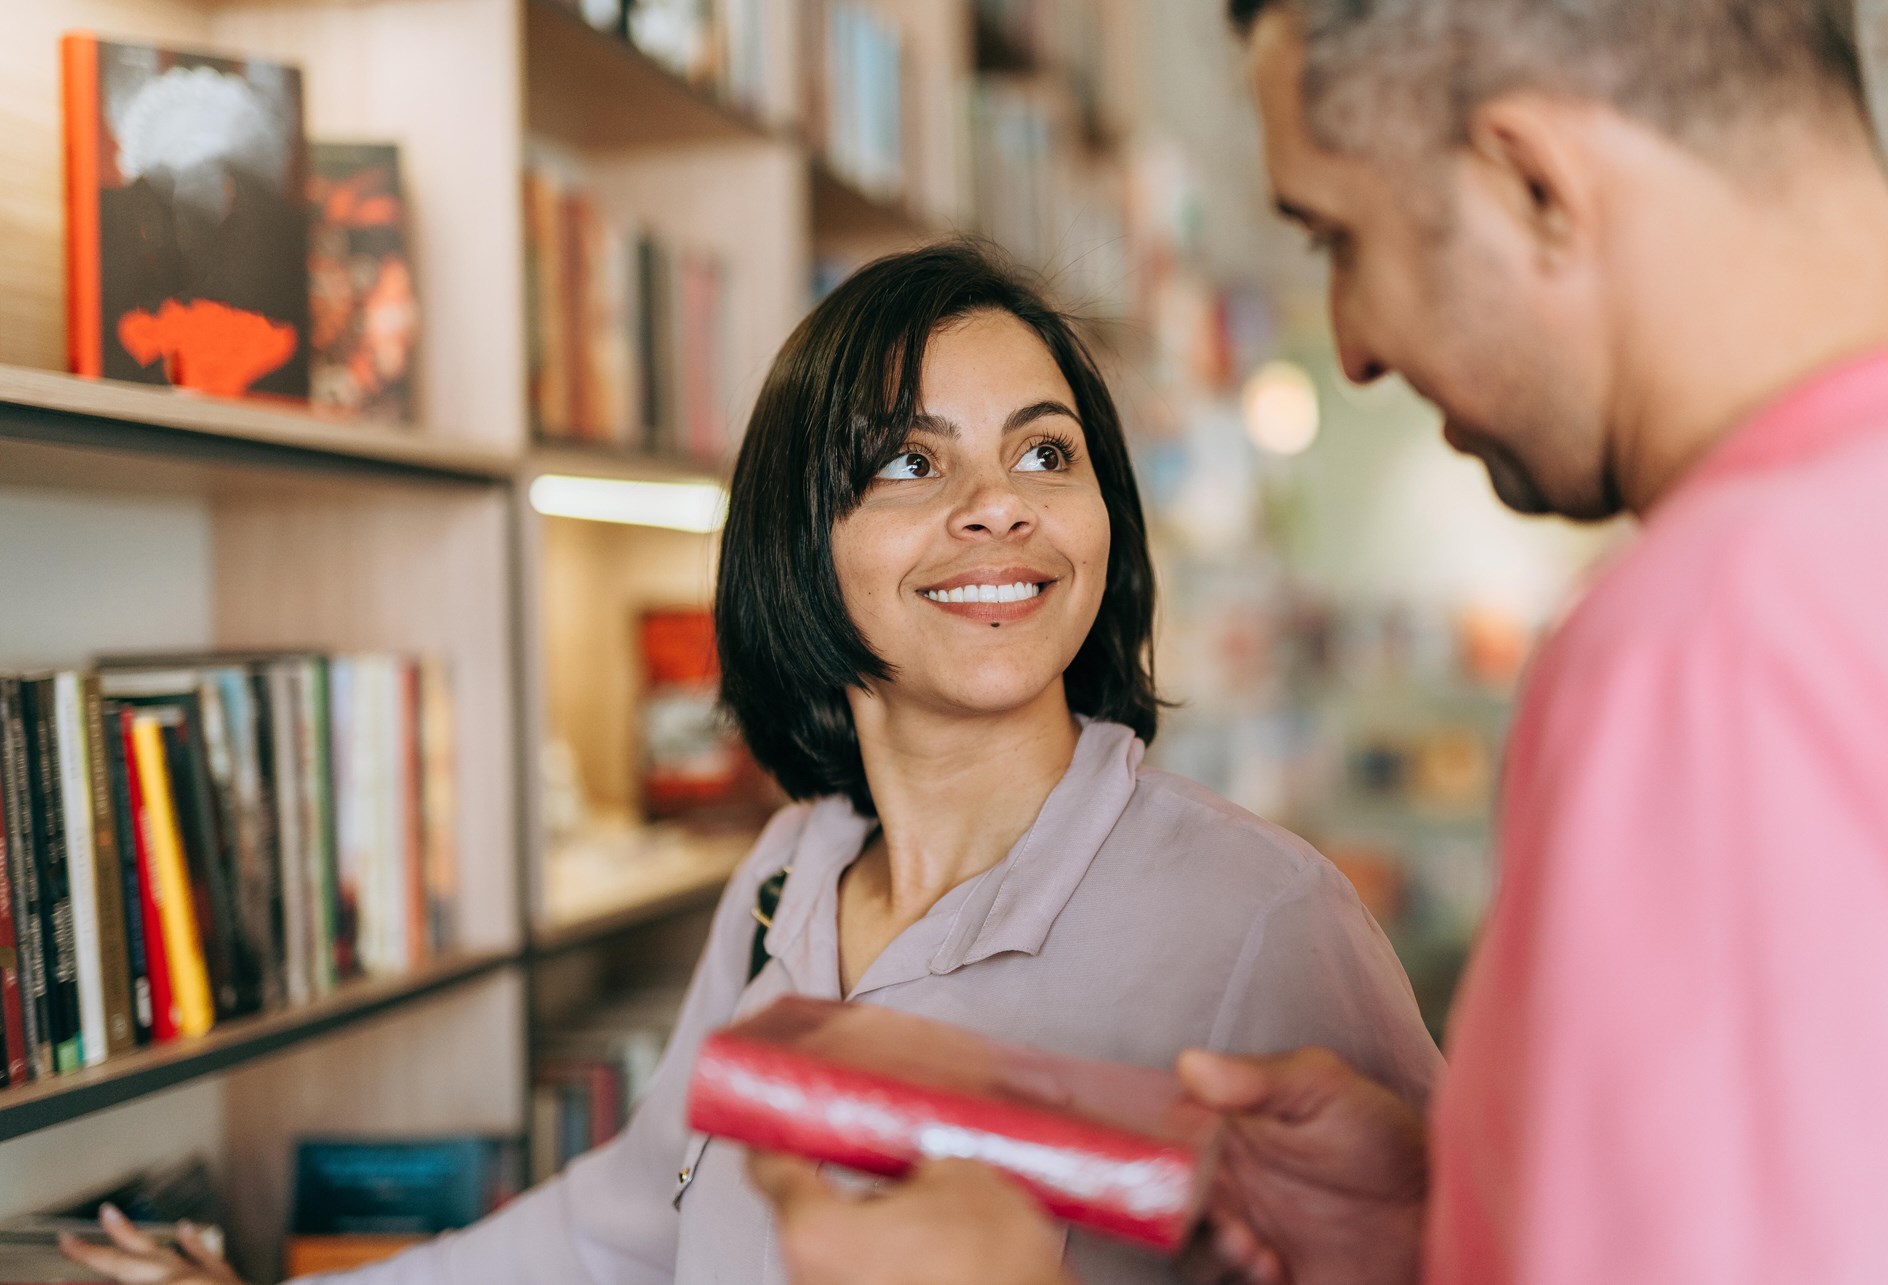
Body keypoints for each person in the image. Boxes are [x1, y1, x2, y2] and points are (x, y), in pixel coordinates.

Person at [742, 0, 1888, 1284]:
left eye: (1341, 235)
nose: (1351, 344)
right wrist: (1437, 1226)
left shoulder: (1714, 647)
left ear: (1532, 181)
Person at [62, 243, 1439, 1285]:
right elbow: (625, 1216)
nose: (1001, 502)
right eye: (910, 459)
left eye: (1045, 448)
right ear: (800, 540)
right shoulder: (792, 875)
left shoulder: (1264, 918)